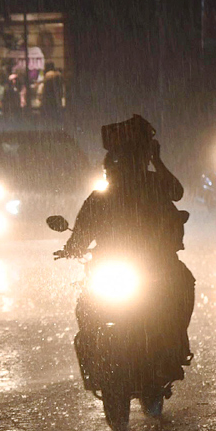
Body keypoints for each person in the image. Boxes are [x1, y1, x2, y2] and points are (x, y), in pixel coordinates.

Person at [61, 115, 194, 358]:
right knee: (86, 306)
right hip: (108, 264)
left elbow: (177, 192)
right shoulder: (98, 199)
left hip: (156, 264)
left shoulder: (155, 185)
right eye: (116, 165)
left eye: (129, 164)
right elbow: (81, 232)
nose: (121, 171)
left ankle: (176, 345)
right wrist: (72, 248)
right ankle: (93, 356)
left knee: (183, 283)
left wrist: (158, 160)